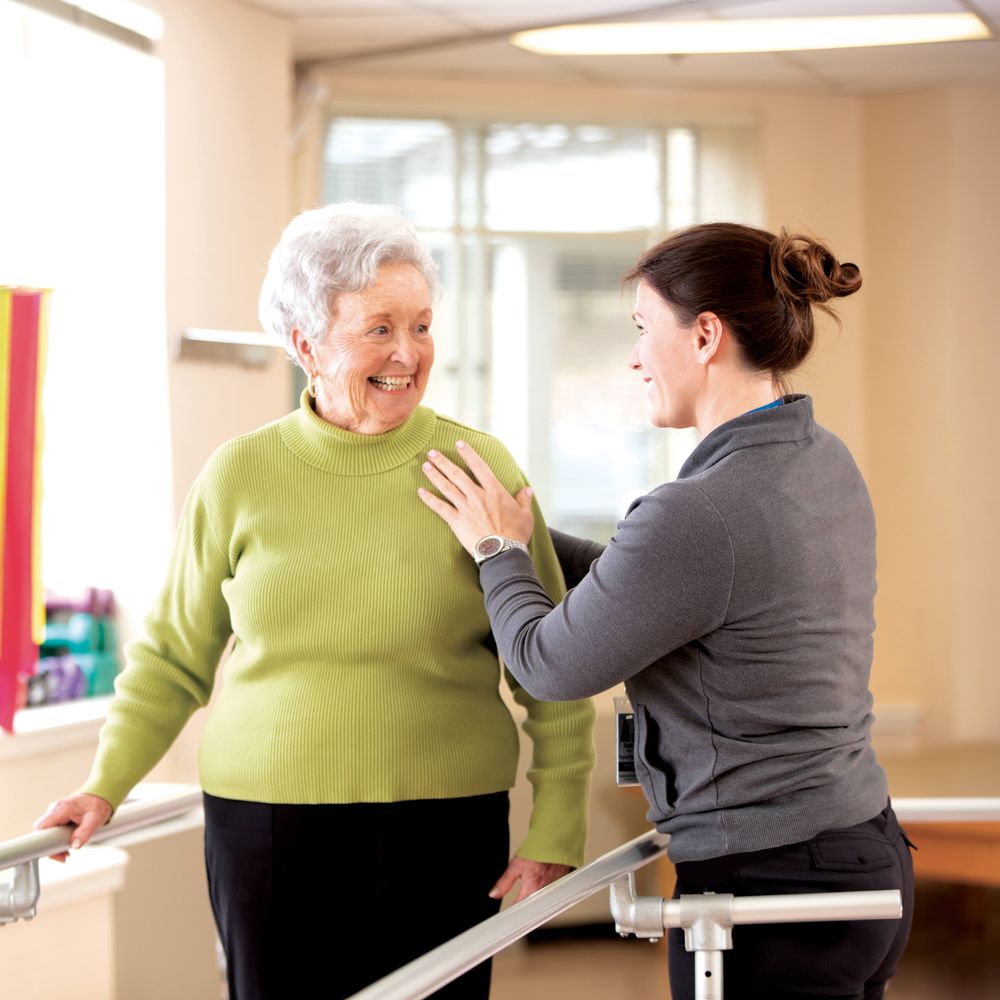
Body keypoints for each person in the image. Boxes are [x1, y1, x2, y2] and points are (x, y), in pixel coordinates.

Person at [34, 203, 595, 1000]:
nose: (409, 353)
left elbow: (552, 663)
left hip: (446, 820)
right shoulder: (240, 474)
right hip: (264, 821)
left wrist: (558, 821)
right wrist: (104, 784)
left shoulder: (476, 466)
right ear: (304, 344)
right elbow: (170, 660)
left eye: (423, 325)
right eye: (379, 329)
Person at [418, 222, 914, 1000]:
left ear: (706, 335)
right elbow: (655, 586)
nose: (635, 356)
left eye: (645, 329)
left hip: (771, 889)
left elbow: (551, 665)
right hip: (860, 851)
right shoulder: (819, 457)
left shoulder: (701, 511)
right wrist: (517, 539)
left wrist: (496, 555)